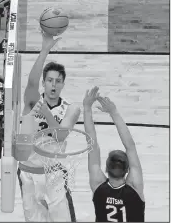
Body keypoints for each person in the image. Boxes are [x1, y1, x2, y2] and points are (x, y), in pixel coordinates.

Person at [17, 31, 80, 222]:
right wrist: (45, 49)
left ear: (62, 84)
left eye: (58, 81)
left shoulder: (71, 108)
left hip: (54, 173)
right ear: (44, 83)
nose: (53, 85)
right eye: (50, 80)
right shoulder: (31, 102)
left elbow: (60, 136)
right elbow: (31, 82)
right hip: (29, 172)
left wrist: (46, 113)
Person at [83, 86, 145, 222]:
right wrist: (114, 112)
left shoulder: (98, 185)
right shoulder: (134, 186)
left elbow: (92, 145)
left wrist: (87, 109)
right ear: (128, 169)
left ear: (106, 169)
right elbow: (131, 147)